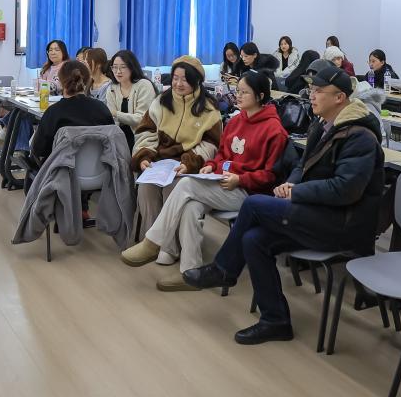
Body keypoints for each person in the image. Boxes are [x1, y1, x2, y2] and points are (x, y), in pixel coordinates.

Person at [183, 60, 383, 344]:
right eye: (311, 90)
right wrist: (292, 183)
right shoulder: (324, 126)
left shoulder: (359, 136)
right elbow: (302, 165)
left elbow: (345, 190)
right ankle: (275, 320)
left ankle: (224, 269)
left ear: (340, 97)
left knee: (254, 204)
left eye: (319, 91)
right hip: (318, 213)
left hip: (342, 225)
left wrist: (296, 192)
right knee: (253, 239)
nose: (311, 96)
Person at [122, 71, 289, 288]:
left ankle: (153, 242)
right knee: (190, 206)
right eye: (237, 91)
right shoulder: (236, 120)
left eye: (244, 92)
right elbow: (222, 154)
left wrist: (240, 179)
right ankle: (189, 272)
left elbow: (270, 176)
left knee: (186, 184)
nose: (238, 96)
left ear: (260, 96)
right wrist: (211, 165)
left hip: (249, 194)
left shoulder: (274, 130)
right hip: (223, 184)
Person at [130, 56, 224, 243]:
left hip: (187, 165)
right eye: (175, 78)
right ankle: (150, 242)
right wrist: (144, 156)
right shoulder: (161, 101)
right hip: (158, 163)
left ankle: (170, 245)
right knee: (146, 189)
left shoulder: (209, 108)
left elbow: (211, 144)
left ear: (196, 81)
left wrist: (189, 163)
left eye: (185, 79)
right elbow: (146, 132)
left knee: (172, 189)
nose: (179, 84)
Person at [29, 60, 115, 163]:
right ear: (88, 80)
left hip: (61, 170)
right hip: (99, 169)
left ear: (61, 82)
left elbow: (39, 150)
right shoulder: (102, 108)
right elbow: (112, 142)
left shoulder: (53, 112)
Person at [104, 50, 158, 149]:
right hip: (119, 137)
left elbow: (142, 119)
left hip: (142, 137)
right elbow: (112, 121)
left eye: (123, 67)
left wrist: (115, 113)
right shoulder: (112, 88)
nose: (118, 71)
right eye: (115, 67)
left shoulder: (144, 85)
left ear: (132, 67)